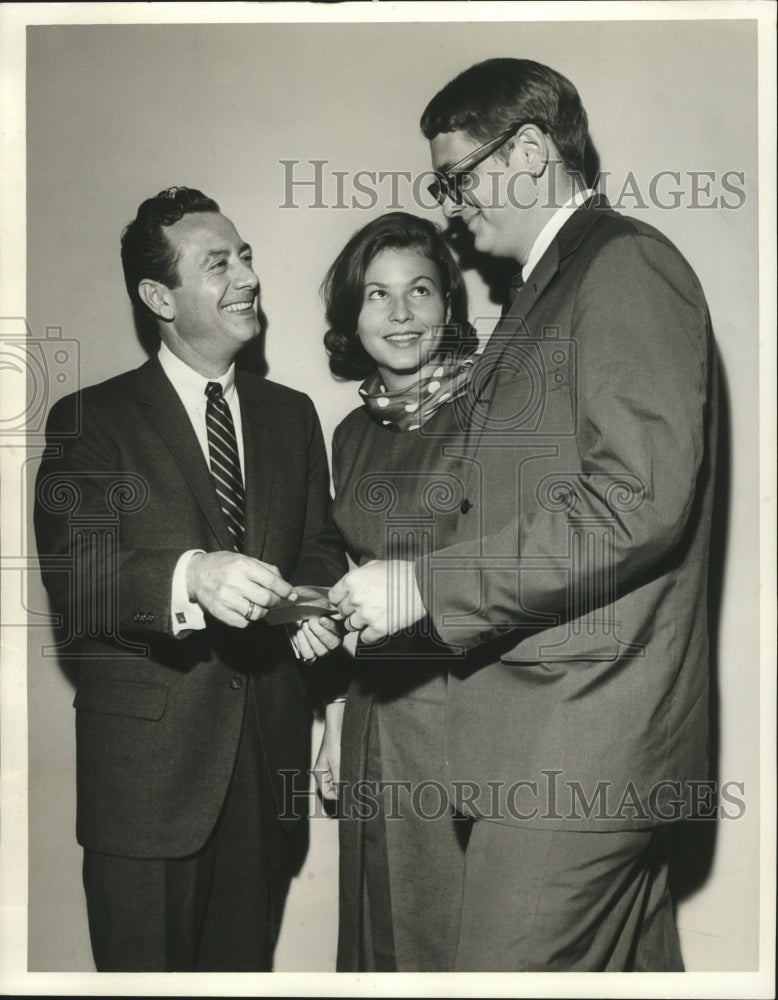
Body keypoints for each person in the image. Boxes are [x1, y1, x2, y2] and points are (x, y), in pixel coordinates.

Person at [329, 59, 718, 971]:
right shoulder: (549, 289)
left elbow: (636, 499)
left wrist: (424, 584)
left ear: (532, 151)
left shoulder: (623, 264)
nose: (452, 205)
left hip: (579, 746)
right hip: (558, 741)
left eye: (457, 177)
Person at [33, 186, 346, 972]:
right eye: (218, 263)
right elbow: (79, 576)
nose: (246, 276)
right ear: (158, 296)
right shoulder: (89, 419)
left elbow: (318, 547)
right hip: (146, 791)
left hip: (265, 774)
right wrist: (192, 575)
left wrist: (308, 603)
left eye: (245, 255)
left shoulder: (292, 415)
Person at [313, 212, 480, 971]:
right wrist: (333, 713)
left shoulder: (491, 412)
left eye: (420, 290)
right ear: (353, 316)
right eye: (377, 295)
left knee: (450, 937)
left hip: (461, 714)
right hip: (371, 721)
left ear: (449, 304)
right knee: (377, 933)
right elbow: (345, 580)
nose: (402, 314)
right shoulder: (350, 435)